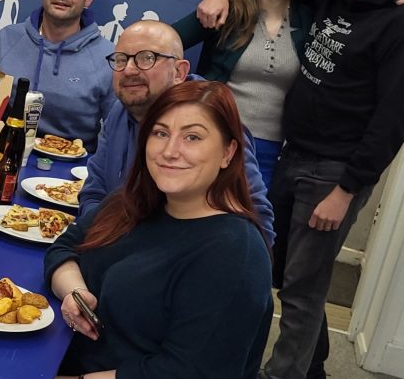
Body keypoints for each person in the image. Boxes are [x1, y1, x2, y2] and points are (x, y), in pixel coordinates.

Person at [0, 81, 273, 379]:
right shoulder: (134, 203)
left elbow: (183, 378)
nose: (170, 149)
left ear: (228, 153)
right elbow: (63, 248)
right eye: (161, 132)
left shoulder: (233, 251)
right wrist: (75, 291)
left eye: (193, 137)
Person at [198, 0, 404, 379]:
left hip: (337, 170)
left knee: (303, 282)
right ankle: (311, 366)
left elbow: (392, 122)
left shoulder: (402, 24)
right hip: (298, 153)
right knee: (289, 270)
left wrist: (346, 190)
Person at [78, 20, 275, 243]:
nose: (129, 70)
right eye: (121, 60)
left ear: (179, 71)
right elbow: (94, 192)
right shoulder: (120, 111)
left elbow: (258, 225)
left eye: (146, 58)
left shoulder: (213, 120)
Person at [173, 0, 313, 189]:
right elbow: (164, 43)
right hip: (214, 139)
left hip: (271, 154)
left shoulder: (310, 17)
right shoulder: (227, 10)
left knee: (249, 226)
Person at [0, 0, 114, 152]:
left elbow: (117, 134)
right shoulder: (7, 39)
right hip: (2, 156)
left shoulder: (107, 58)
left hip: (72, 173)